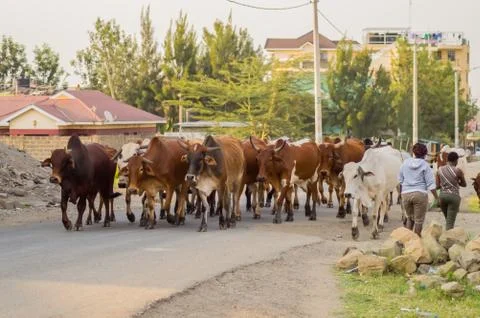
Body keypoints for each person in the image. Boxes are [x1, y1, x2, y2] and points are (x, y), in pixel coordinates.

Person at [398, 143, 439, 236]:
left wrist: (401, 194)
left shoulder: (405, 163)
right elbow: (431, 185)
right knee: (418, 221)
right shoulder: (425, 165)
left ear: (414, 152)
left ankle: (407, 242)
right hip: (420, 194)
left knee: (409, 218)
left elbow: (400, 180)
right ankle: (416, 242)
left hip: (406, 194)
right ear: (425, 154)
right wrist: (437, 197)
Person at [436, 151, 466, 230]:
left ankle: (447, 235)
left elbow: (437, 186)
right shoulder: (458, 171)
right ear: (456, 160)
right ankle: (448, 240)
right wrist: (456, 182)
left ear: (447, 159)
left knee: (448, 220)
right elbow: (464, 184)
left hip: (442, 197)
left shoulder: (439, 170)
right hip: (454, 197)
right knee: (450, 222)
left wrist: (444, 183)